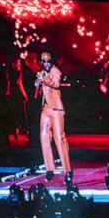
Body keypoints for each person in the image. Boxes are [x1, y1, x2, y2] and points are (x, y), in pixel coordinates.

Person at [35, 51, 72, 185]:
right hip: (46, 108)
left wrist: (44, 79)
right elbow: (42, 89)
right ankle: (49, 169)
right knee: (44, 136)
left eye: (47, 61)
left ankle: (68, 171)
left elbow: (56, 84)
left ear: (51, 62)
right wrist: (38, 82)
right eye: (43, 61)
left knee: (59, 139)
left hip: (56, 110)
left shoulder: (56, 71)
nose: (45, 63)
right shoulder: (43, 72)